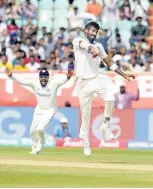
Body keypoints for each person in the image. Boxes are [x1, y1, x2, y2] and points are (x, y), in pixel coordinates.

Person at [72, 21, 135, 157]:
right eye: (92, 31)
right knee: (86, 116)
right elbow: (85, 46)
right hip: (83, 82)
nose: (94, 33)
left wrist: (124, 75)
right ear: (86, 30)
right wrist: (91, 48)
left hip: (97, 78)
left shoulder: (99, 46)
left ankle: (105, 125)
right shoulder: (78, 40)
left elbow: (109, 63)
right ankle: (86, 144)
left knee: (111, 98)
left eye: (96, 31)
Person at [5, 68, 73, 155]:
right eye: (41, 77)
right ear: (39, 77)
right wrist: (11, 76)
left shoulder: (53, 84)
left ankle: (42, 142)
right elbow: (22, 81)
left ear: (48, 78)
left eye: (45, 77)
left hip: (50, 109)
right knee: (32, 131)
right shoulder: (35, 83)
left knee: (40, 128)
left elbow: (62, 81)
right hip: (39, 109)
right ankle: (34, 148)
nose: (43, 78)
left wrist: (68, 77)